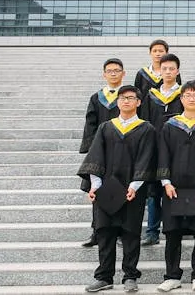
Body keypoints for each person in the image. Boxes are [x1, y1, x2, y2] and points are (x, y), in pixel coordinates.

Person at [78, 84, 156, 293]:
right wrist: (95, 185)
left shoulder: (146, 128)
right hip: (106, 189)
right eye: (122, 98)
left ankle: (130, 276)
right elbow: (96, 157)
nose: (126, 101)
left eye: (131, 98)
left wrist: (135, 185)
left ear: (139, 102)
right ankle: (104, 276)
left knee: (131, 233)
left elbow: (146, 159)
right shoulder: (106, 127)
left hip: (132, 191)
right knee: (104, 232)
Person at [155, 84, 195, 293]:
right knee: (172, 233)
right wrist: (165, 182)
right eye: (187, 95)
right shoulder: (170, 125)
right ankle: (172, 275)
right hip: (173, 187)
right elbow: (163, 154)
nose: (192, 98)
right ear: (181, 99)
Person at [80, 58, 128, 248]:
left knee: (122, 193)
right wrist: (94, 151)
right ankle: (97, 231)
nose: (113, 73)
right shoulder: (96, 98)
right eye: (110, 71)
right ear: (104, 74)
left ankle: (121, 232)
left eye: (117, 70)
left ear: (123, 73)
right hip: (101, 155)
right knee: (98, 193)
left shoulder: (128, 96)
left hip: (124, 154)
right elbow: (90, 125)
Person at [140, 53, 184, 246]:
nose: (167, 72)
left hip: (178, 150)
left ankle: (176, 228)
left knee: (176, 188)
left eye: (171, 68)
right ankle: (152, 231)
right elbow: (145, 123)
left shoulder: (185, 95)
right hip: (155, 149)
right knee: (153, 191)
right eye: (164, 69)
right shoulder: (151, 95)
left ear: (177, 71)